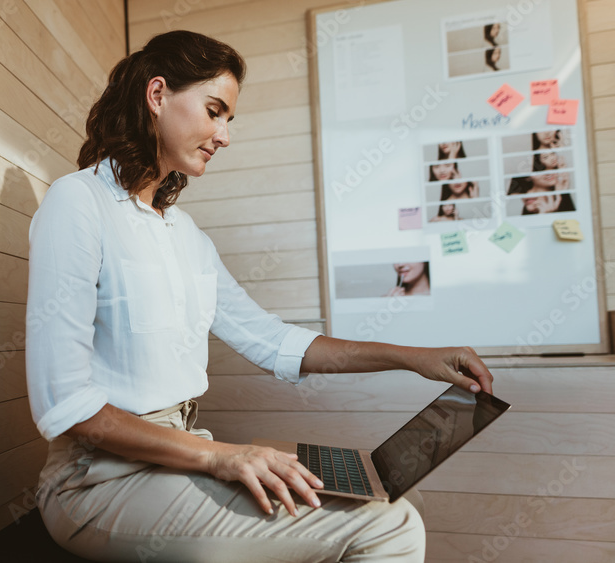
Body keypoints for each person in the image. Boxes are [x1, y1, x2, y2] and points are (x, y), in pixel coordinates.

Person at [27, 30, 494, 562]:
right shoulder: (77, 203)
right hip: (96, 482)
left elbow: (273, 341)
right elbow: (66, 406)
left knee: (367, 483)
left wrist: (416, 361)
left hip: (182, 451)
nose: (224, 135)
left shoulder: (186, 236)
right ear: (157, 96)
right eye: (214, 110)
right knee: (390, 527)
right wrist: (221, 457)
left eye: (229, 119)